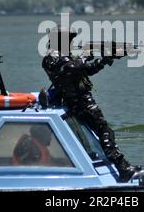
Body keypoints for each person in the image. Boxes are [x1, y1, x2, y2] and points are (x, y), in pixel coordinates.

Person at [42, 26, 138, 182]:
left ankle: (123, 166)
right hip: (78, 101)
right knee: (104, 130)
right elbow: (71, 68)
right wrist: (87, 54)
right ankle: (123, 167)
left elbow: (86, 70)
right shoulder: (51, 58)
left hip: (83, 99)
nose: (72, 42)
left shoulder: (66, 56)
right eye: (69, 39)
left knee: (104, 131)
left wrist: (104, 61)